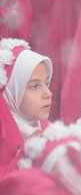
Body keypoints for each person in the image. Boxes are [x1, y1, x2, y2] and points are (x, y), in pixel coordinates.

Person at [0, 38, 52, 175]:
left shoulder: (48, 131)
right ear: (11, 93)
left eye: (47, 84)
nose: (48, 94)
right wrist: (24, 158)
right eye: (35, 86)